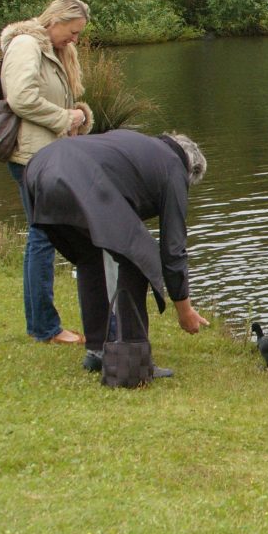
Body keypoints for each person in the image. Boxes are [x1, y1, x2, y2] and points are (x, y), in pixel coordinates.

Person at [24, 129, 210, 376]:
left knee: (90, 259)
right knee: (137, 259)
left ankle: (98, 352)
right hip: (73, 177)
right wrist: (184, 309)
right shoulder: (174, 168)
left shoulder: (142, 149)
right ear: (191, 172)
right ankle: (132, 359)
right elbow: (173, 249)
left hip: (38, 169)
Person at [1, 0, 94, 345]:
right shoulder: (26, 45)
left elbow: (58, 101)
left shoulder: (56, 51)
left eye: (78, 34)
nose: (75, 40)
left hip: (48, 156)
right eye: (72, 32)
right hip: (31, 159)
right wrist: (62, 118)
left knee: (43, 235)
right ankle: (45, 327)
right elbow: (20, 98)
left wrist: (78, 116)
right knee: (44, 236)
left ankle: (41, 324)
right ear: (54, 21)